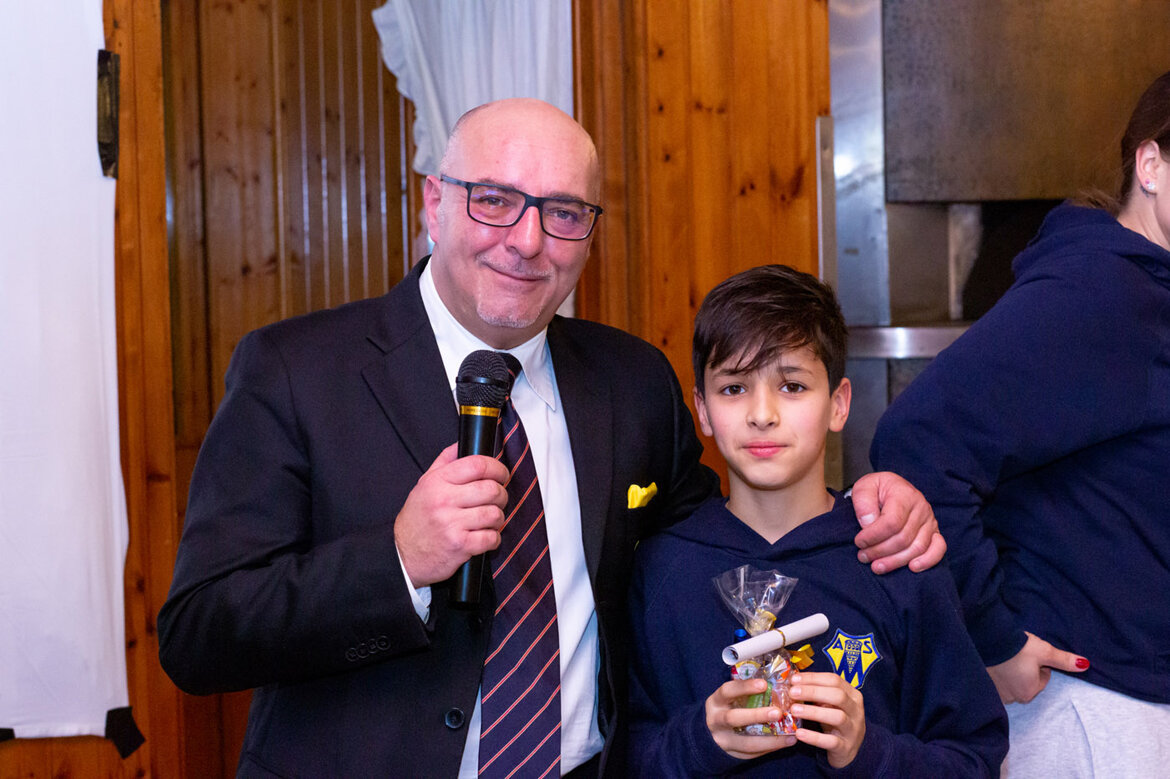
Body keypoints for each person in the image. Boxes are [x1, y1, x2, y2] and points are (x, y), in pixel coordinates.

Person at [157, 98, 943, 778]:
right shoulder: (296, 371)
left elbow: (721, 535)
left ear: (590, 233)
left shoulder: (631, 380)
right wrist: (398, 562)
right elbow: (198, 634)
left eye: (564, 212)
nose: (528, 239)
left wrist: (868, 500)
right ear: (435, 202)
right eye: (495, 200)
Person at [870, 70, 1170, 776]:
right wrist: (995, 637)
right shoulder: (1102, 291)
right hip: (1095, 711)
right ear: (1151, 166)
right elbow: (917, 442)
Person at [627, 264, 1007, 777]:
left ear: (838, 404)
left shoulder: (895, 557)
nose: (762, 414)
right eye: (734, 388)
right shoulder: (659, 569)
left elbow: (974, 758)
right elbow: (619, 753)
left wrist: (867, 752)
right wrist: (699, 741)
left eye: (792, 386)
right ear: (703, 410)